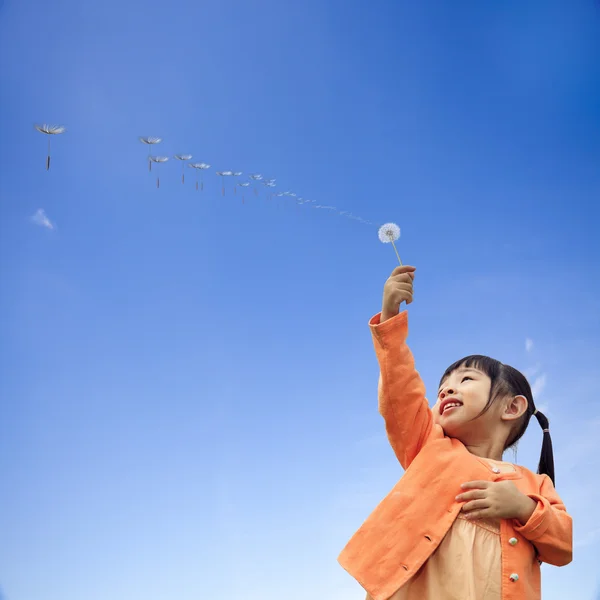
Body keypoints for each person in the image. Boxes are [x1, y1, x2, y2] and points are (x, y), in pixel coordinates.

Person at [337, 265, 572, 600]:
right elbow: (401, 395)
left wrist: (523, 507)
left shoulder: (536, 486)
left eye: (465, 380)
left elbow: (563, 546)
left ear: (511, 408)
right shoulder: (430, 445)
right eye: (442, 387)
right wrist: (390, 319)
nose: (446, 390)